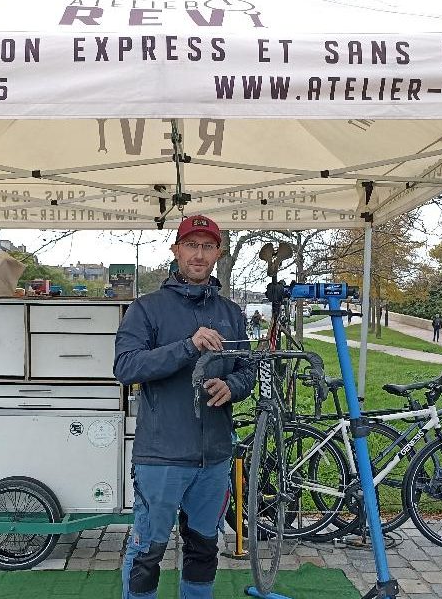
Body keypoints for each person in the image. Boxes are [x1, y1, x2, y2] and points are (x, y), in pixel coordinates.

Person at [114, 214, 255, 599]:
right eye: (191, 245)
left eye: (207, 246)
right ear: (176, 250)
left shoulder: (231, 314)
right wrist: (187, 347)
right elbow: (126, 368)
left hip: (214, 456)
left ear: (218, 254)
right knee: (148, 551)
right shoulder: (147, 309)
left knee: (203, 549)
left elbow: (247, 370)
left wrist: (232, 386)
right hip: (161, 455)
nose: (198, 254)